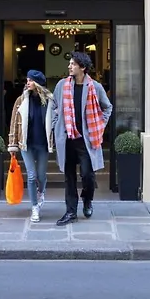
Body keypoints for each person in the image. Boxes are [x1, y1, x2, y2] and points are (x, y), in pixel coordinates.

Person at [52, 52, 112, 226]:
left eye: (73, 64)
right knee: (69, 177)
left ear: (83, 67)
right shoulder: (62, 85)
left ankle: (87, 199)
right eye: (70, 63)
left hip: (86, 140)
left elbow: (107, 107)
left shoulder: (95, 87)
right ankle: (71, 211)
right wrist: (56, 125)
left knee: (87, 175)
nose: (69, 66)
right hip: (67, 138)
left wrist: (99, 125)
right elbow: (54, 106)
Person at [7, 69, 56, 223]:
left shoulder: (50, 101)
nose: (27, 83)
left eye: (30, 80)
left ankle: (41, 193)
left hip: (42, 144)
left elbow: (55, 121)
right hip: (26, 144)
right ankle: (35, 207)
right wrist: (12, 145)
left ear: (38, 83)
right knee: (31, 175)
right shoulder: (21, 100)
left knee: (41, 176)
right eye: (27, 80)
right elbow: (14, 123)